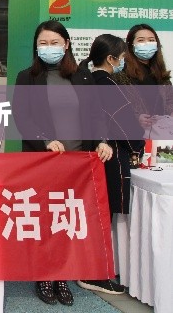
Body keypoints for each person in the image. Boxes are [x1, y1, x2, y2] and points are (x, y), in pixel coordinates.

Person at [12, 20, 113, 307]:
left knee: (67, 220)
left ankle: (62, 276)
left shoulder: (82, 76)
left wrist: (102, 140)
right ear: (36, 47)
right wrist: (45, 140)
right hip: (44, 162)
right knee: (44, 219)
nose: (49, 48)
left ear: (66, 44)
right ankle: (44, 275)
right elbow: (22, 117)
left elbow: (96, 114)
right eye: (43, 43)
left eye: (54, 43)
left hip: (78, 165)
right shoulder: (27, 77)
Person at [76, 34, 139, 295]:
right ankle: (96, 273)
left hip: (96, 155)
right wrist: (137, 149)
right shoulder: (107, 84)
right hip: (111, 158)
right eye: (122, 57)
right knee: (104, 216)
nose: (124, 62)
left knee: (98, 214)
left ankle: (95, 270)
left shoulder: (89, 81)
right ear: (111, 58)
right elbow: (127, 126)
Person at [112, 24, 173, 129]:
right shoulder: (121, 74)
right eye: (141, 40)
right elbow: (113, 106)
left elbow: (169, 102)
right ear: (130, 45)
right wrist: (135, 118)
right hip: (133, 134)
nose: (147, 44)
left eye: (151, 40)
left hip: (161, 133)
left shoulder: (161, 75)